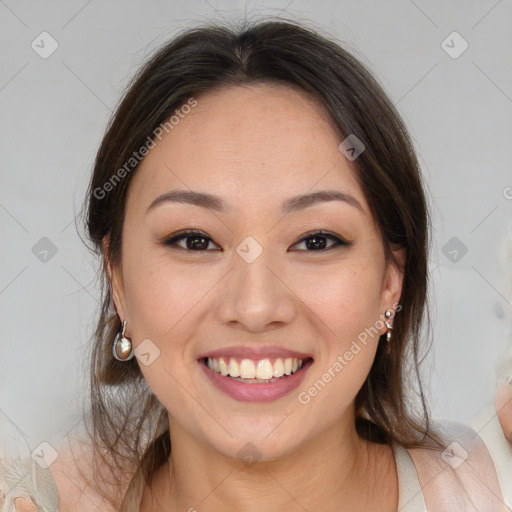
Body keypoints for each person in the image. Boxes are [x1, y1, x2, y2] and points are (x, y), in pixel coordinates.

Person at [1, 18, 511, 512]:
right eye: (195, 240)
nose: (254, 306)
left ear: (389, 284)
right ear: (118, 280)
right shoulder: (37, 497)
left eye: (315, 241)